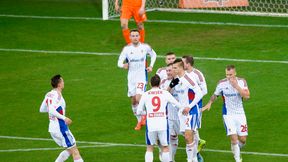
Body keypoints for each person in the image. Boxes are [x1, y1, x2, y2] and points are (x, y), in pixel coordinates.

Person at [202, 65, 250, 162]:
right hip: (228, 114)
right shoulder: (222, 83)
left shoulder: (242, 81)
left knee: (243, 139)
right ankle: (238, 159)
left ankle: (236, 148)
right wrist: (209, 103)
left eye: (231, 75)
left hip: (240, 114)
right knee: (234, 138)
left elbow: (247, 96)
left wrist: (236, 86)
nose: (229, 77)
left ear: (235, 73)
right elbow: (215, 95)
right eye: (227, 75)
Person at [137, 75, 185, 162]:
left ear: (151, 84)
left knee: (149, 148)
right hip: (162, 124)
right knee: (165, 147)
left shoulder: (145, 94)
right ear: (159, 83)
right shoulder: (165, 93)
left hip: (151, 124)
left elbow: (139, 111)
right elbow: (178, 105)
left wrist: (147, 113)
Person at [117, 29, 157, 130]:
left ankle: (145, 116)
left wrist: (151, 66)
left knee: (139, 98)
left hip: (141, 78)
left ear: (139, 37)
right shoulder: (126, 49)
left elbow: (154, 55)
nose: (135, 37)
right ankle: (139, 121)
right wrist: (123, 65)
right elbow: (119, 62)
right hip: (131, 79)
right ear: (130, 37)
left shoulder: (145, 47)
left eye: (136, 35)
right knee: (134, 101)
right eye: (133, 36)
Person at [39, 74, 84, 162]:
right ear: (59, 84)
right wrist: (64, 118)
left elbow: (42, 109)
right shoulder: (57, 95)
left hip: (52, 129)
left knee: (70, 150)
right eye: (62, 81)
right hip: (61, 128)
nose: (64, 82)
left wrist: (54, 112)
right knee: (75, 151)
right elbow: (51, 110)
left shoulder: (49, 94)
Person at [170, 59, 203, 162]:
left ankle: (190, 159)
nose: (173, 70)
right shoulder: (176, 80)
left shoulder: (188, 79)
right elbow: (168, 92)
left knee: (188, 136)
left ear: (180, 68)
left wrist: (189, 106)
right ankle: (194, 159)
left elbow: (199, 94)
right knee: (188, 137)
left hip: (191, 111)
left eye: (175, 68)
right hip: (182, 112)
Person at [182, 55, 207, 161]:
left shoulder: (197, 74)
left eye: (183, 62)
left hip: (195, 106)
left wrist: (194, 99)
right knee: (187, 131)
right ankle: (197, 146)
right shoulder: (181, 74)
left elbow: (204, 90)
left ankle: (195, 155)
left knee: (192, 130)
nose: (180, 64)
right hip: (184, 106)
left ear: (188, 64)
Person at [159, 63, 180, 162]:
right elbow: (164, 96)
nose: (168, 72)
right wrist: (172, 85)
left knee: (189, 136)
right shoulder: (163, 82)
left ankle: (195, 155)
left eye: (170, 70)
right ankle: (171, 159)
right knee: (172, 137)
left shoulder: (182, 80)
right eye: (166, 71)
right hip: (170, 114)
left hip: (182, 114)